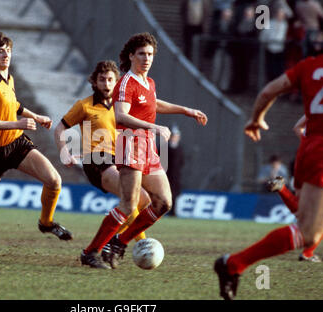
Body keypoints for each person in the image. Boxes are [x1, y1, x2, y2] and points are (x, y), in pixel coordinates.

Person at [214, 8, 323, 300]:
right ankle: (233, 264)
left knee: (309, 220)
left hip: (312, 147)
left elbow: (269, 90)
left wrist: (256, 118)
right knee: (307, 232)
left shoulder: (311, 65)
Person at [80, 32, 208, 269]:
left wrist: (187, 110)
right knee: (129, 206)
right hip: (131, 144)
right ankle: (91, 252)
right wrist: (154, 126)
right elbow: (120, 115)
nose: (146, 58)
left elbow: (154, 103)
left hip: (147, 146)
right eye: (141, 54)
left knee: (163, 202)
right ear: (131, 56)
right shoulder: (126, 82)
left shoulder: (148, 82)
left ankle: (119, 242)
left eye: (150, 54)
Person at [0, 32, 72, 257]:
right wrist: (18, 123)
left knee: (54, 180)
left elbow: (13, 104)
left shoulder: (8, 78)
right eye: (0, 50)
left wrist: (35, 116)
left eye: (8, 49)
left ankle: (46, 223)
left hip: (17, 144)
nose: (6, 53)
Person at [54, 60, 151, 269]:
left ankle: (109, 244)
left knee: (144, 200)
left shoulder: (123, 107)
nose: (106, 84)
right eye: (102, 79)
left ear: (117, 83)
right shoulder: (85, 105)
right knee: (131, 199)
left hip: (120, 160)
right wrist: (65, 151)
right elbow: (59, 129)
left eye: (110, 80)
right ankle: (137, 244)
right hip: (97, 161)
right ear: (94, 82)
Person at [267, 115, 323, 262]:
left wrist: (307, 143)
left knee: (304, 212)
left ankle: (282, 189)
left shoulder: (315, 108)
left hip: (303, 158)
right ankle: (308, 253)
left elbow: (297, 128)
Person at [166, 125, 185, 217]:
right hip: (166, 175)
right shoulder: (164, 147)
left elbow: (181, 161)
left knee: (175, 194)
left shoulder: (180, 148)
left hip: (176, 176)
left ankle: (173, 211)